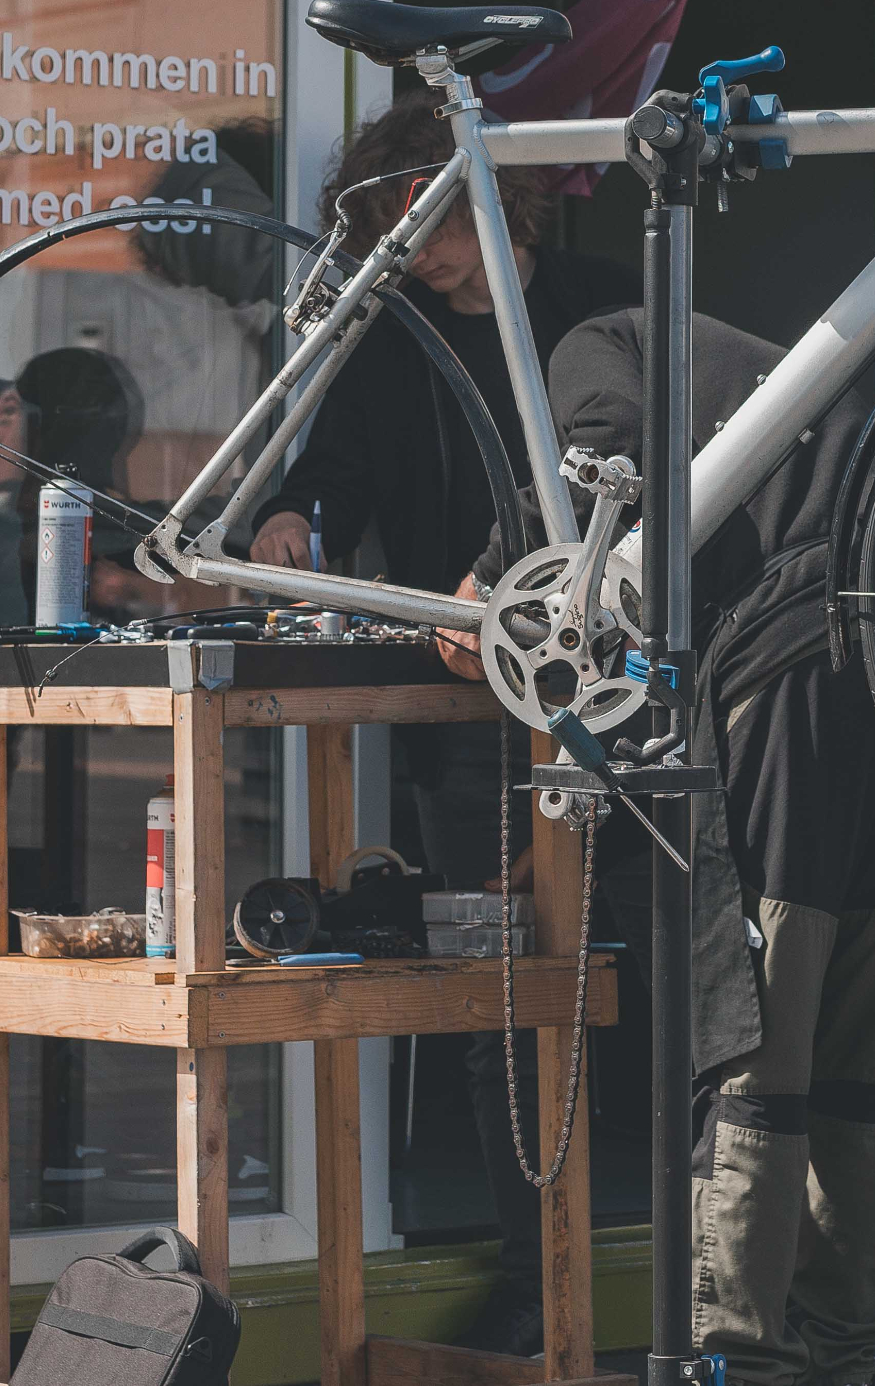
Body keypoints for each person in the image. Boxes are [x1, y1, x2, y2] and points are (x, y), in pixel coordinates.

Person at [488, 306, 875, 1386]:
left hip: (796, 660)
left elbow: (599, 461)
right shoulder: (759, 354)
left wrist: (493, 570)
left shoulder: (591, 338)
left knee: (757, 1043)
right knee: (865, 1051)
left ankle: (741, 1357)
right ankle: (848, 1345)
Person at [243, 93, 634, 1356]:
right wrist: (291, 512)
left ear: (486, 195)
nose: (417, 254)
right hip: (460, 702)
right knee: (498, 981)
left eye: (430, 225)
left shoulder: (601, 296)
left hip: (606, 691)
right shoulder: (390, 328)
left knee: (630, 968)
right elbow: (336, 465)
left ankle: (644, 1252)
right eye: (394, 235)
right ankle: (533, 1272)